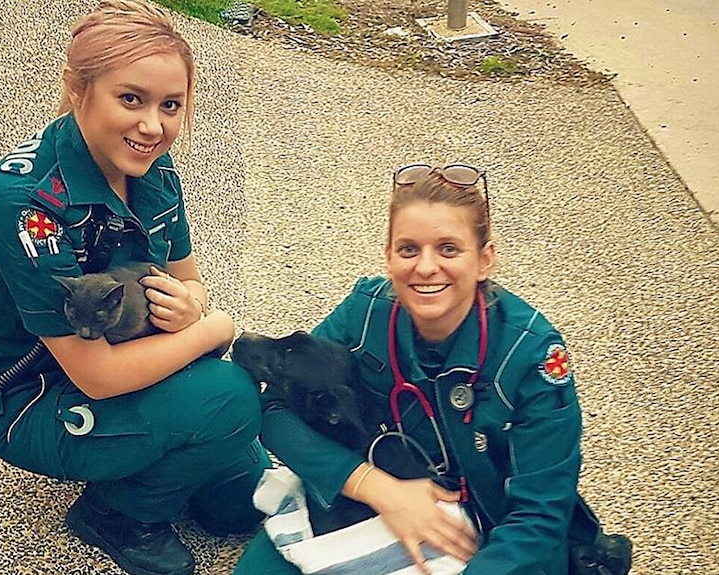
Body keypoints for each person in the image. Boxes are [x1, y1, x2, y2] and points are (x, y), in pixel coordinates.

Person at [0, 3, 270, 575]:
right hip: (40, 393)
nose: (153, 126)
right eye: (131, 99)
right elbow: (96, 375)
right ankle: (118, 514)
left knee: (243, 504)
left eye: (170, 106)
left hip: (138, 357)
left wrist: (192, 307)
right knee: (233, 395)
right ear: (78, 89)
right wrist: (216, 328)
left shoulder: (154, 171)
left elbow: (188, 280)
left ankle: (156, 456)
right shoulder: (25, 203)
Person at [234, 163, 604, 575]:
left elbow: (539, 517)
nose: (426, 267)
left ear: (484, 260)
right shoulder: (365, 311)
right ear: (389, 258)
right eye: (409, 249)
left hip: (493, 535)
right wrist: (376, 488)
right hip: (380, 493)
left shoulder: (532, 354)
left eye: (449, 249)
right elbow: (274, 407)